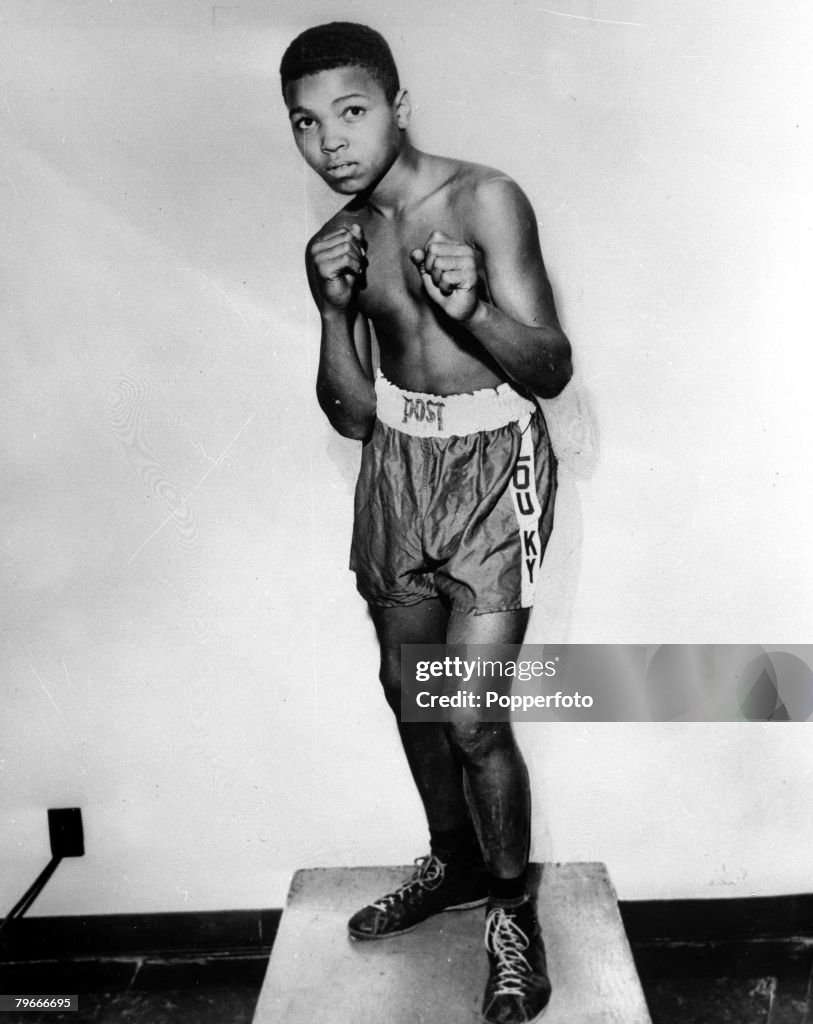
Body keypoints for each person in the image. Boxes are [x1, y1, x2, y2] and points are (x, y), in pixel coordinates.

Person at [280, 22, 572, 1024]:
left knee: (471, 711)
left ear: (399, 109)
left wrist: (476, 311)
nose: (332, 143)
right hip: (398, 467)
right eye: (307, 124)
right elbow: (354, 415)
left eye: (351, 113)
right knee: (411, 692)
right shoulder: (339, 241)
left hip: (497, 467)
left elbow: (548, 369)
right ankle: (452, 864)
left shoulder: (484, 198)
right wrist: (328, 309)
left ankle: (511, 913)